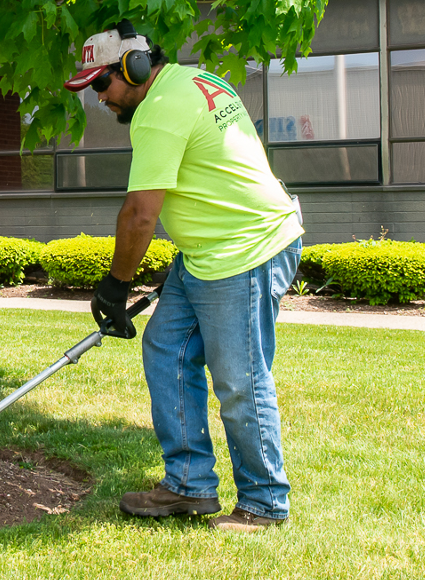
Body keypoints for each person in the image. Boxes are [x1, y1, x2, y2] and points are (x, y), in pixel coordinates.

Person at [66, 21, 304, 533]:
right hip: (206, 255)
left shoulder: (157, 113)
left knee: (239, 380)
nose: (100, 100)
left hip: (245, 252)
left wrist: (115, 285)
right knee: (167, 347)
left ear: (134, 67)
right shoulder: (199, 81)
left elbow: (139, 215)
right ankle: (189, 486)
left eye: (101, 85)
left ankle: (264, 502)